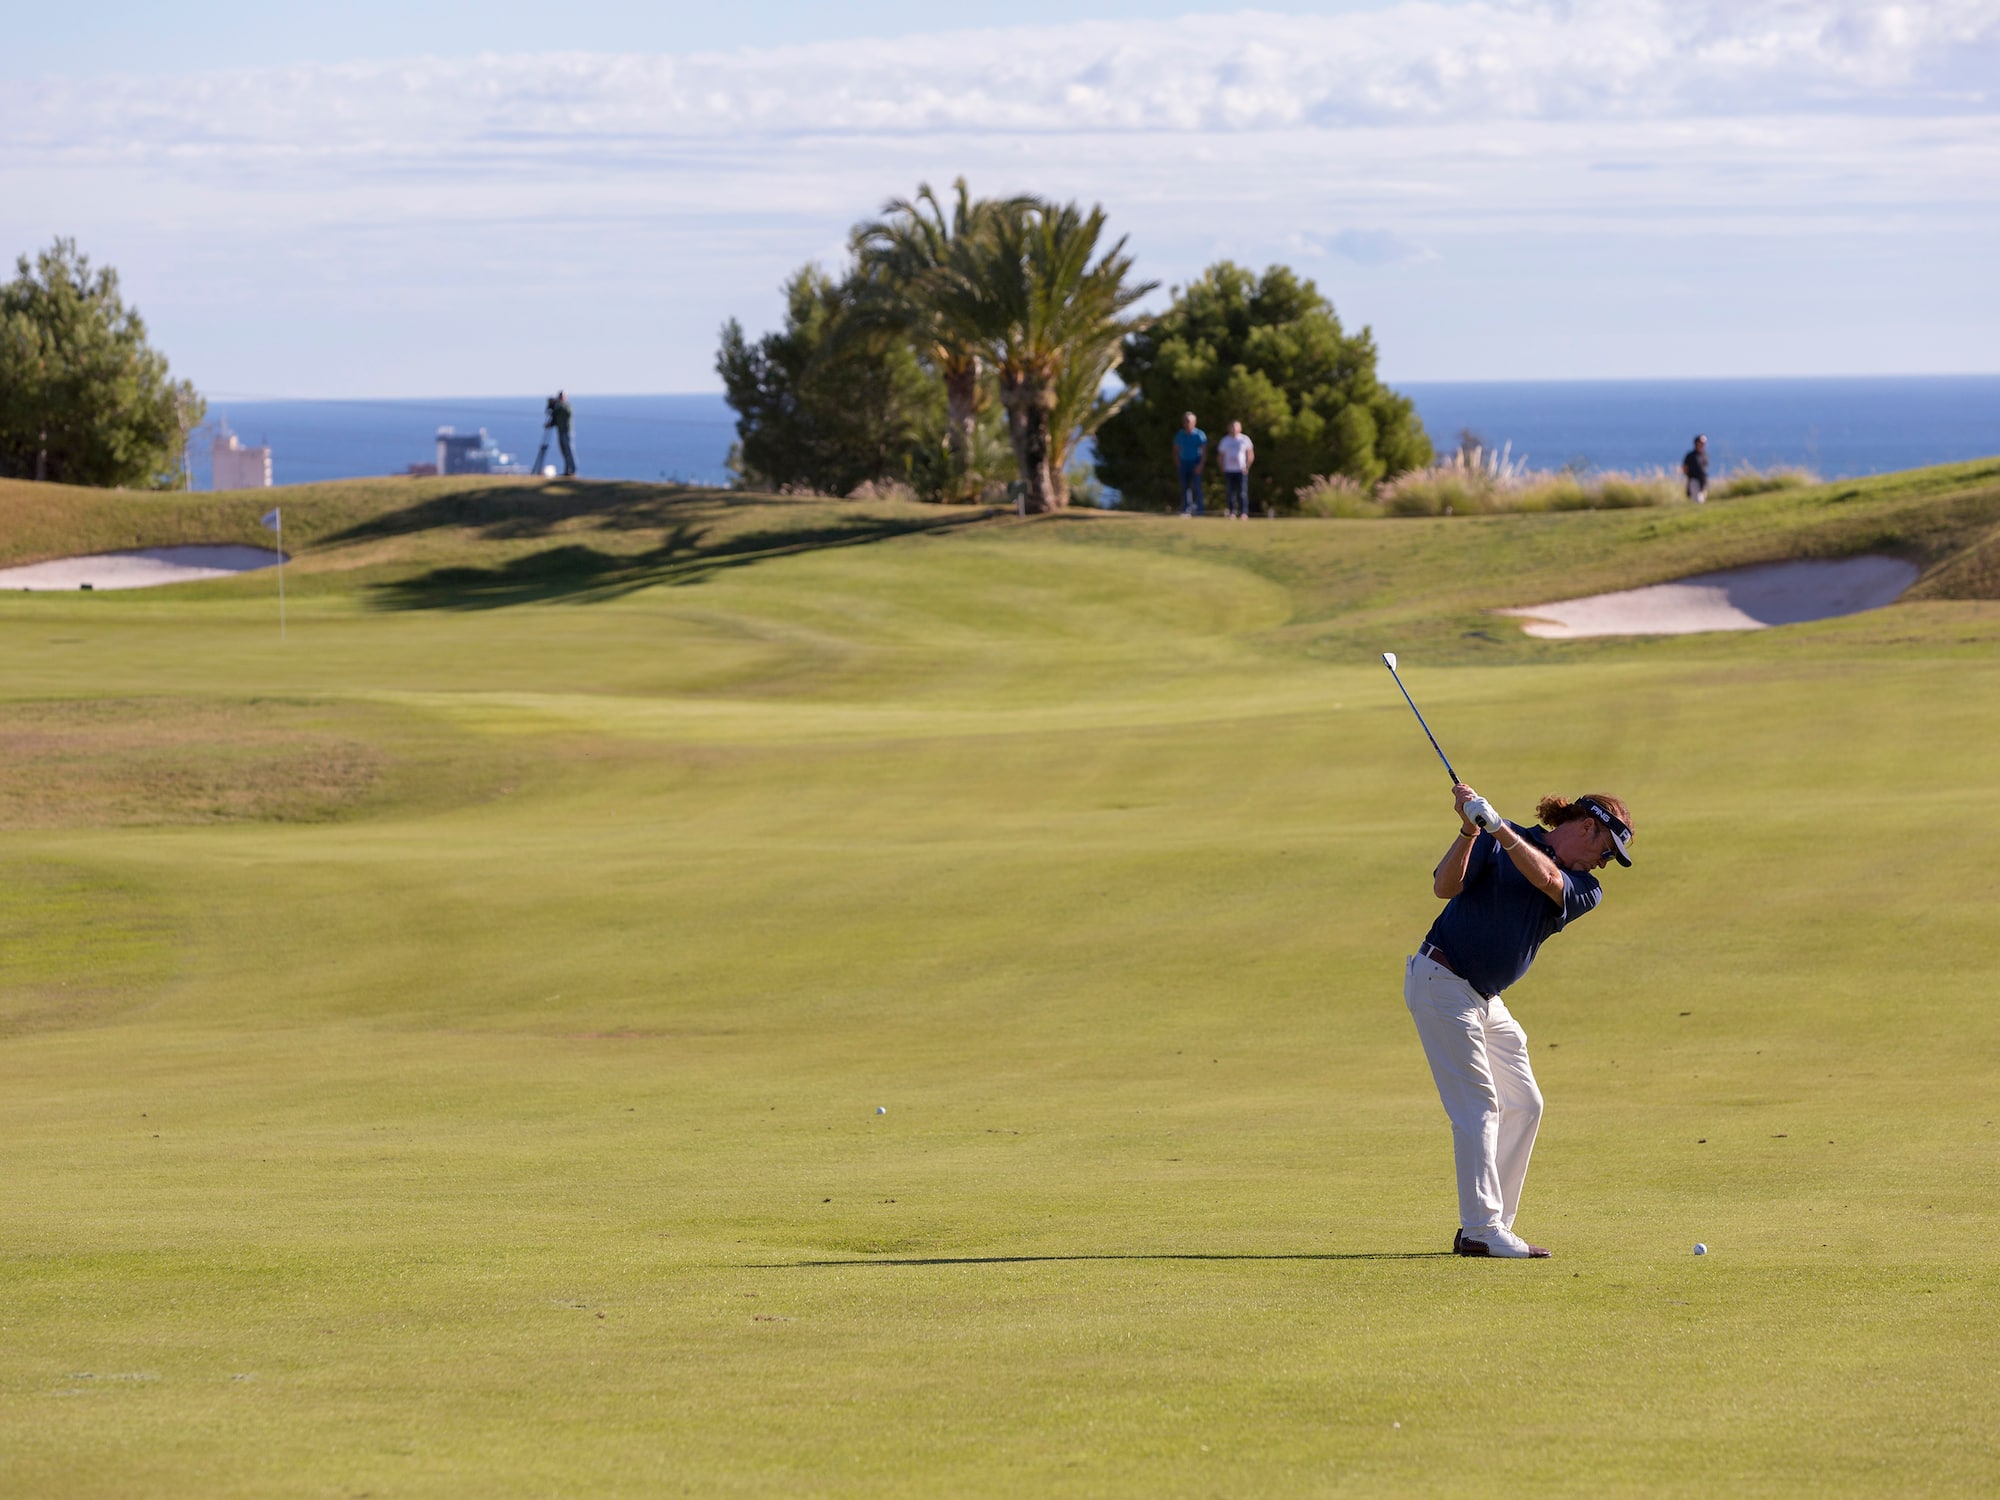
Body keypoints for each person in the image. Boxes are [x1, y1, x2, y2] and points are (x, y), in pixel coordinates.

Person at [1405, 783, 1635, 1258]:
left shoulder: (1585, 887)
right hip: (1442, 981)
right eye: (1605, 852)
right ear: (1587, 827)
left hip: (1484, 998)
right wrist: (1470, 830)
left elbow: (1548, 880)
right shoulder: (1495, 836)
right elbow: (1443, 886)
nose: (1602, 864)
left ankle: (1493, 1225)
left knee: (1526, 1103)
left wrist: (1501, 830)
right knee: (1479, 1108)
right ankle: (1481, 1229)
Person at [1217, 420, 1255, 519]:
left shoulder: (1244, 439)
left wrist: (1247, 467)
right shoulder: (1225, 440)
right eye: (1232, 427)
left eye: (1235, 427)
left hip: (1241, 470)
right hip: (1229, 470)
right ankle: (1232, 512)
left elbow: (1250, 454)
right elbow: (1220, 456)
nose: (1233, 429)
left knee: (1242, 493)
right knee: (1230, 493)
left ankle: (1243, 513)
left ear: (1240, 428)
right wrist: (1222, 467)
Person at [1172, 412, 1207, 515]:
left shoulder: (1200, 434)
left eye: (1189, 421)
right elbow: (1175, 450)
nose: (1187, 423)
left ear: (1194, 422)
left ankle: (1200, 510)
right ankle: (1186, 509)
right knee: (1184, 487)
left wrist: (1200, 465)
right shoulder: (1180, 434)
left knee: (1197, 487)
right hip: (1183, 463)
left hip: (1195, 462)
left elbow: (1204, 451)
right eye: (1185, 421)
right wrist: (1177, 462)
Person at [546, 390, 577, 477]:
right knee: (564, 451)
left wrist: (559, 404)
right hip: (560, 431)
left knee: (569, 451)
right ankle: (567, 470)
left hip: (567, 432)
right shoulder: (558, 408)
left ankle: (573, 470)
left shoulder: (567, 406)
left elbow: (568, 412)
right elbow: (555, 419)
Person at [1681, 434, 1708, 504]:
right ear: (1696, 443)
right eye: (1702, 442)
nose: (1704, 444)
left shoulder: (1705, 455)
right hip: (1694, 481)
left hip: (1703, 481)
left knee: (1702, 500)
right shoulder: (1690, 455)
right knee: (1698, 501)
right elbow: (1684, 468)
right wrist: (1689, 476)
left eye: (1704, 442)